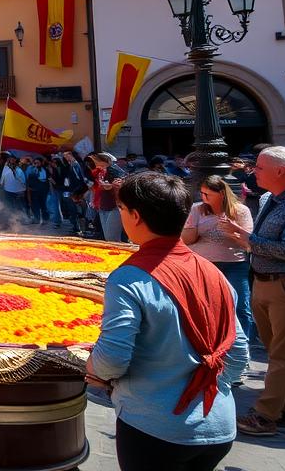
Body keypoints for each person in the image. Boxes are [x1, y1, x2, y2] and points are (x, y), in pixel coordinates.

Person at [87, 172, 246, 470]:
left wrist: (93, 370)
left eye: (121, 209)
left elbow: (113, 358)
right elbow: (238, 352)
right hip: (220, 425)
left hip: (155, 427)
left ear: (135, 216)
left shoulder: (130, 277)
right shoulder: (214, 273)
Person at [216, 145, 285, 436]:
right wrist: (245, 240)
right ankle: (282, 405)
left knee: (282, 354)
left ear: (281, 172)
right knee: (275, 351)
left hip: (282, 285)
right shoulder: (271, 198)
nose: (252, 171)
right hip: (262, 280)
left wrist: (249, 238)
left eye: (259, 167)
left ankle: (266, 414)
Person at [181, 174, 255, 349]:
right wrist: (197, 228)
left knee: (240, 305)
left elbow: (249, 243)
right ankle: (210, 343)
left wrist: (232, 231)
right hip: (204, 264)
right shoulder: (197, 210)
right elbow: (187, 240)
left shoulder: (240, 211)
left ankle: (241, 346)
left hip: (234, 264)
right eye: (202, 194)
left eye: (208, 194)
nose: (204, 198)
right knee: (205, 305)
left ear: (222, 193)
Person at [91, 152, 128, 243]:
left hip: (114, 207)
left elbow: (119, 184)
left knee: (112, 239)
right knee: (108, 238)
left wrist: (109, 185)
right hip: (103, 205)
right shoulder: (99, 171)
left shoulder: (114, 170)